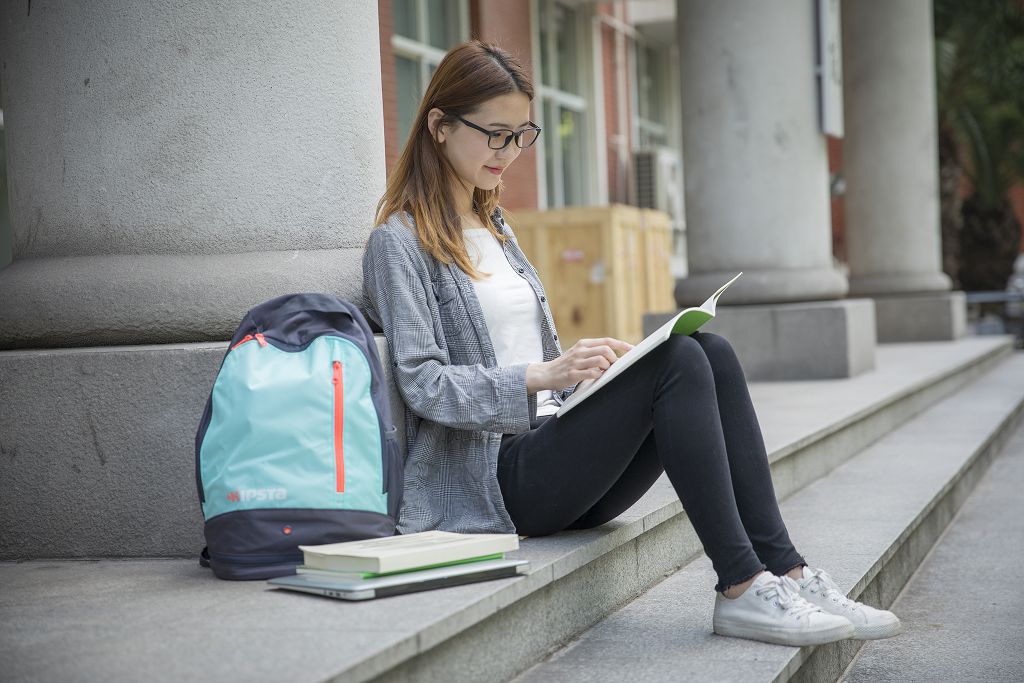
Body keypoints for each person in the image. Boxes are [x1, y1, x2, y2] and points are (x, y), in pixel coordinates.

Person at [360, 40, 900, 647]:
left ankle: (789, 572)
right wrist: (542, 376)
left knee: (708, 350)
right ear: (438, 125)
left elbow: (524, 347)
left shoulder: (496, 227)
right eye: (495, 134)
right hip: (494, 481)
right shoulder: (398, 242)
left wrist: (588, 374)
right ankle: (742, 587)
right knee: (675, 362)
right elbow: (422, 382)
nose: (508, 152)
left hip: (551, 451)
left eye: (521, 135)